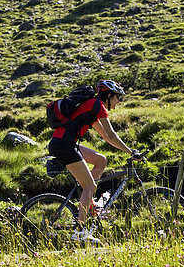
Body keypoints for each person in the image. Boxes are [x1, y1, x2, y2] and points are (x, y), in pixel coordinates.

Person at [47, 80, 133, 243]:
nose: (118, 102)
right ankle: (80, 232)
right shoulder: (97, 105)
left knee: (101, 160)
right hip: (65, 145)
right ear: (109, 96)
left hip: (63, 142)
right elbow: (112, 135)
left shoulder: (91, 107)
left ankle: (89, 201)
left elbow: (106, 137)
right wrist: (131, 152)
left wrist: (127, 150)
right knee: (89, 186)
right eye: (117, 98)